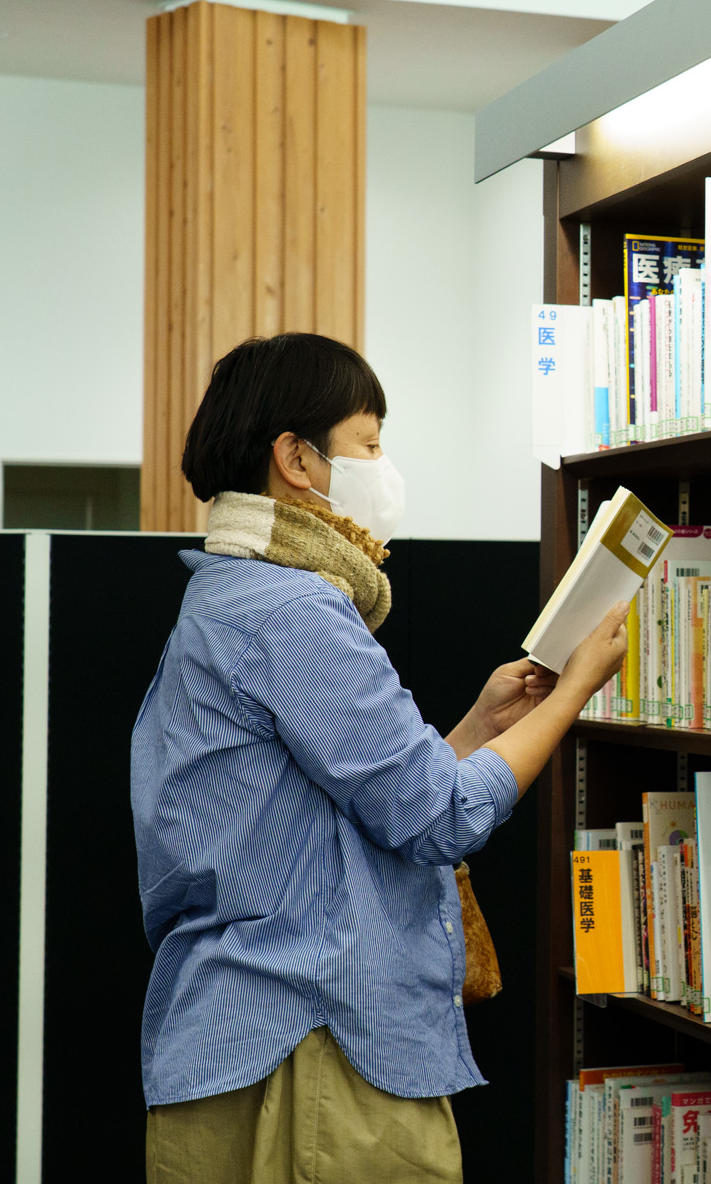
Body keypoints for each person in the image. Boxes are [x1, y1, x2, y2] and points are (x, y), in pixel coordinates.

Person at [131, 332, 627, 1183]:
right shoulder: (296, 611)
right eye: (368, 442)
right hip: (318, 1046)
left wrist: (476, 725)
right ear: (296, 457)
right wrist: (578, 688)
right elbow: (437, 814)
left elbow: (338, 802)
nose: (383, 465)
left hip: (251, 1033)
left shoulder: (229, 594)